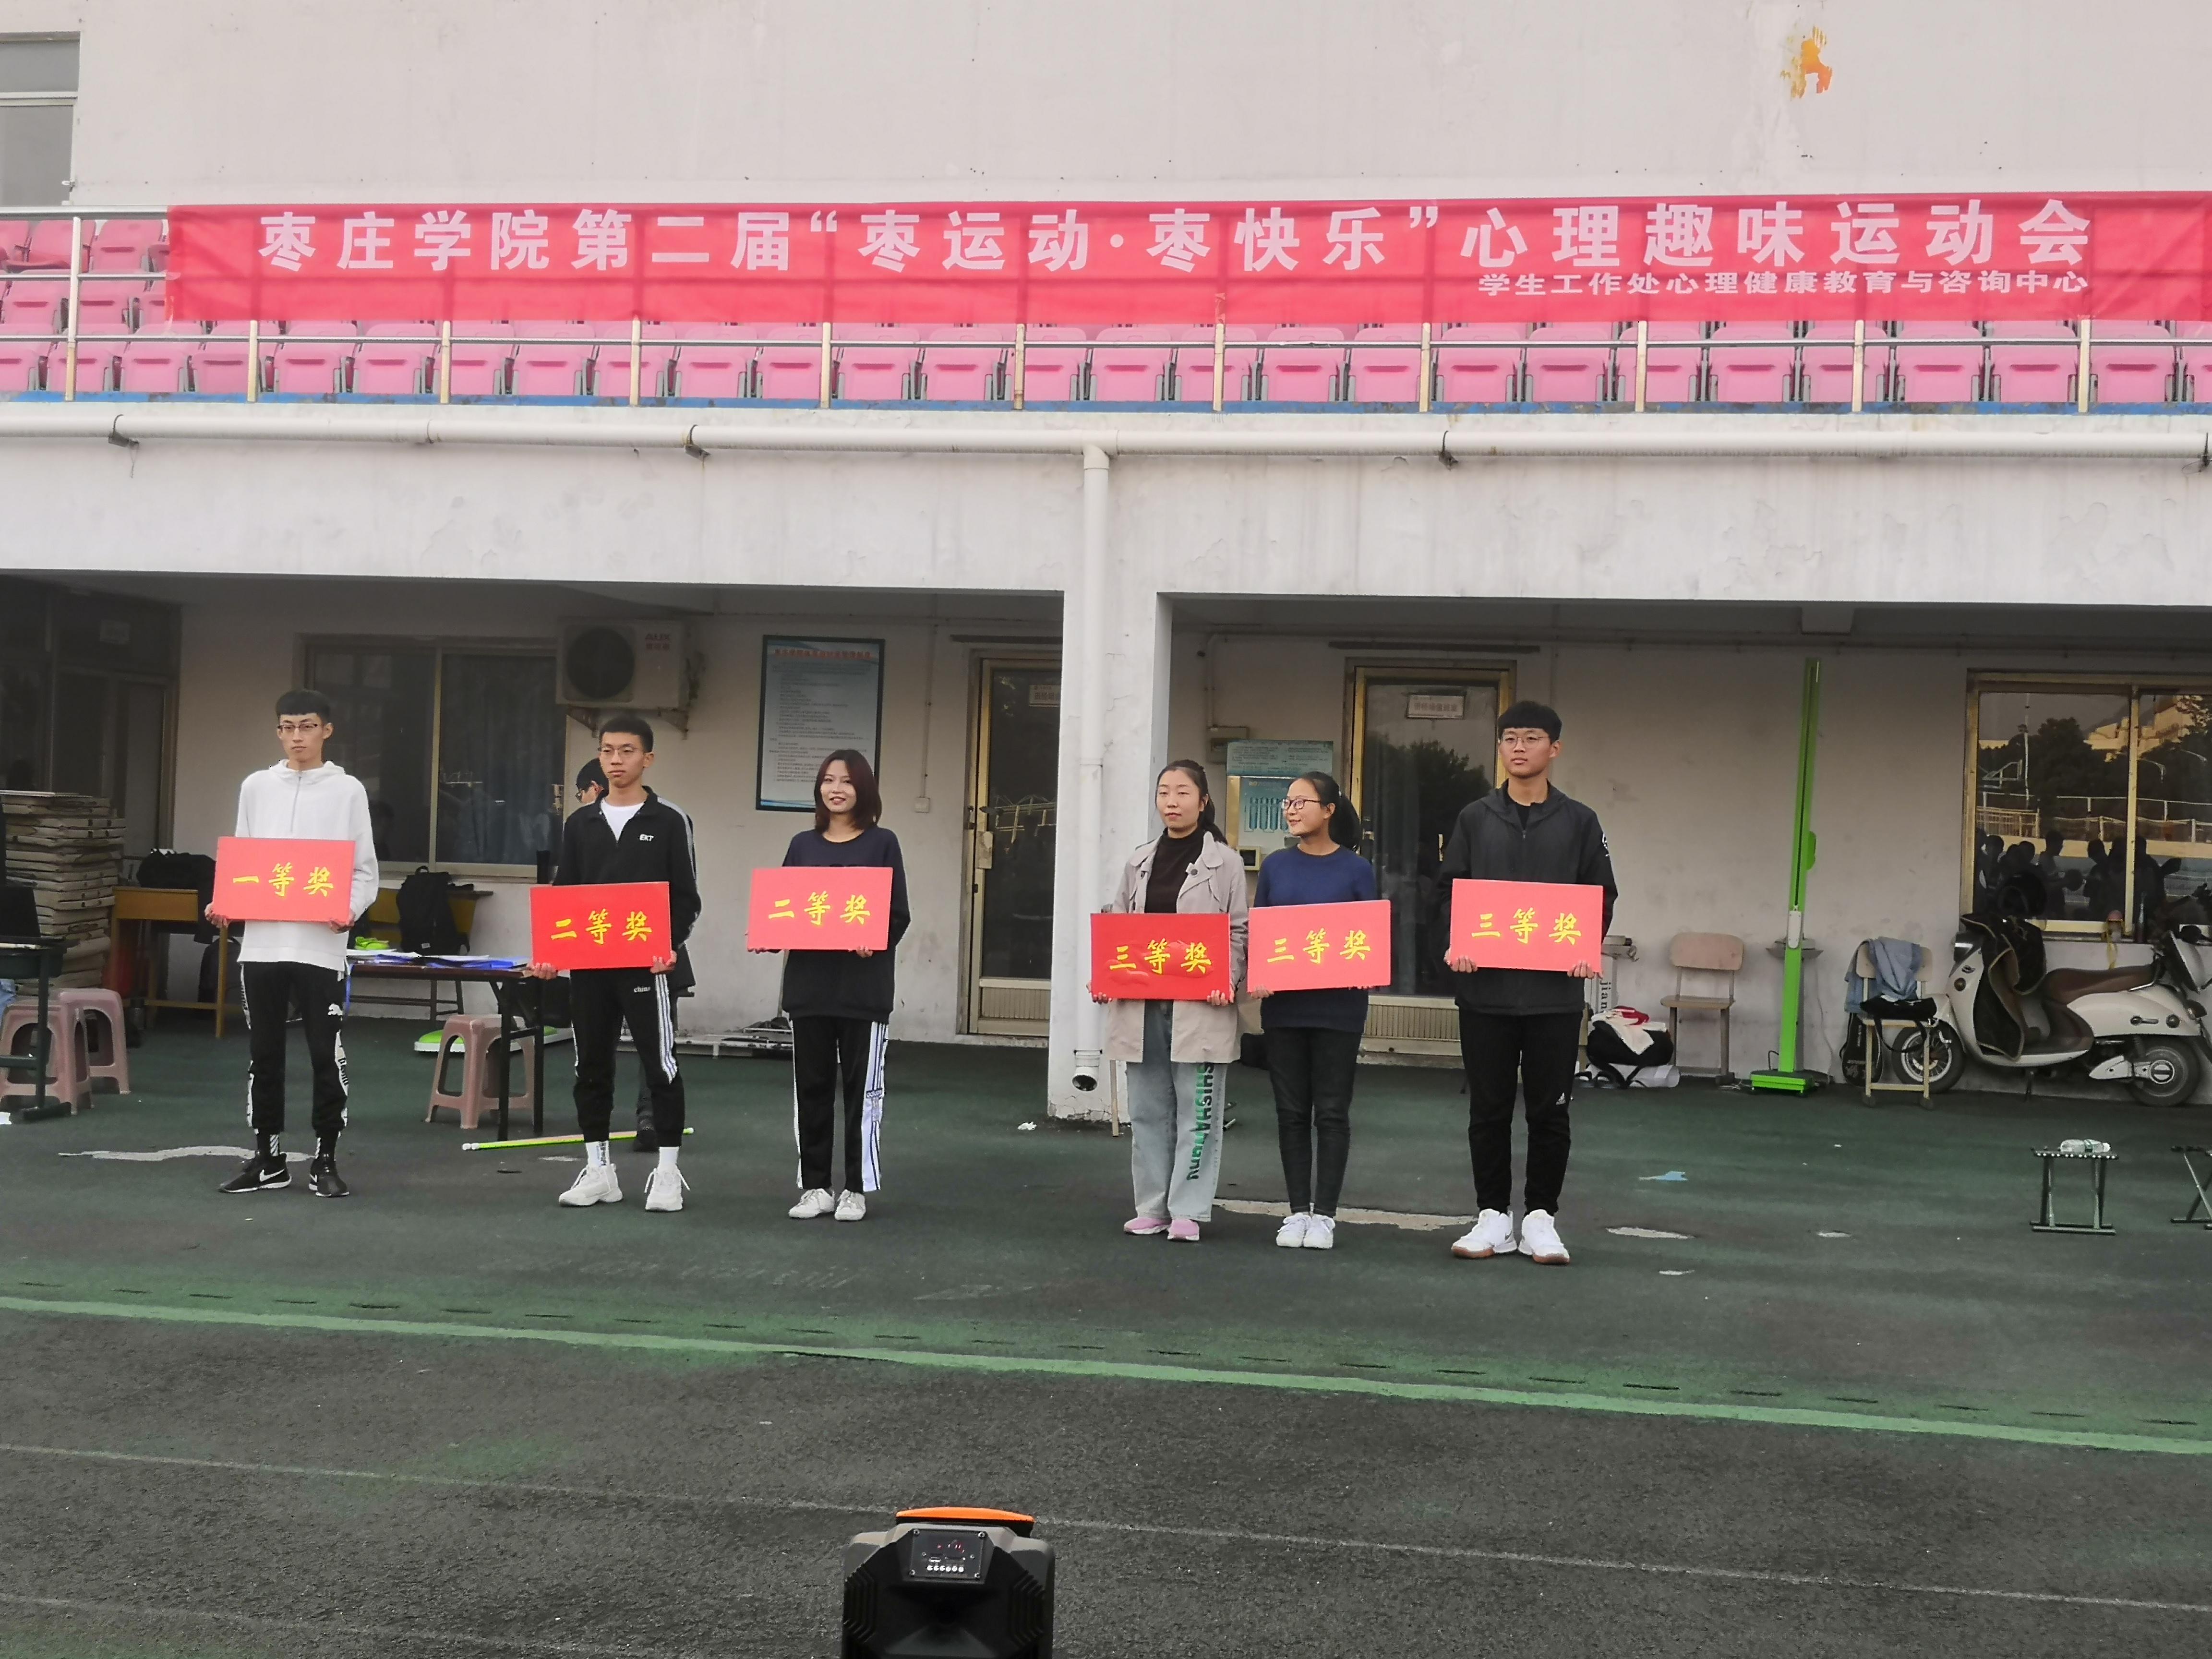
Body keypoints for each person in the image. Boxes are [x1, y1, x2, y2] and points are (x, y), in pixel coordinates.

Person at [1439, 701, 1616, 1267]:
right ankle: (1493, 1216)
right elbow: (1450, 890)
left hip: (1553, 997)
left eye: (1531, 738)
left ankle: (1541, 1218)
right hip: (1485, 994)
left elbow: (1601, 895)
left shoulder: (1580, 821)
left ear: (1554, 749)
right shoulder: (1474, 817)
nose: (1519, 747)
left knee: (1550, 1111)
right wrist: (1457, 943)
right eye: (1510, 738)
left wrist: (1584, 949)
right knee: (1488, 1111)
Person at [210, 690, 380, 1200]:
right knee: (263, 1055)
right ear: (278, 731)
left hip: (320, 946)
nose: (297, 737)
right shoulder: (256, 786)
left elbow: (364, 871)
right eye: (287, 727)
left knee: (325, 1054)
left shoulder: (348, 791)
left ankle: (325, 1158)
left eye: (307, 726)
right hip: (262, 944)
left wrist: (349, 909)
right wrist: (226, 902)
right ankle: (268, 1157)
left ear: (327, 730)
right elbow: (242, 859)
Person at [530, 715, 701, 1214]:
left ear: (648, 758)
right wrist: (551, 955)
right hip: (591, 969)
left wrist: (670, 945)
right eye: (607, 751)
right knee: (590, 1066)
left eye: (627, 751)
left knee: (660, 1066)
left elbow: (686, 898)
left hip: (649, 968)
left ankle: (667, 1173)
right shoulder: (580, 823)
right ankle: (599, 1170)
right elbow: (566, 895)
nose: (616, 760)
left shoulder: (669, 820)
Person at [1103, 760, 1248, 1243]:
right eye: (1164, 792)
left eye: (1183, 792)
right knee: (1148, 1110)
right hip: (1143, 1004)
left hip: (1201, 1005)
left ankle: (1188, 1209)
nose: (1172, 801)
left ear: (1203, 802)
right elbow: (1118, 927)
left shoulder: (1225, 863)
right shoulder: (1139, 861)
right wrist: (1106, 976)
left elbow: (1238, 931)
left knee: (1197, 1111)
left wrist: (1227, 978)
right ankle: (1152, 1206)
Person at [773, 750, 910, 1223]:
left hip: (862, 992)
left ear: (863, 789)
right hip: (809, 990)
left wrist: (876, 939)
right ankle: (815, 1187)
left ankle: (856, 1188)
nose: (836, 789)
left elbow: (897, 914)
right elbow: (783, 909)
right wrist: (769, 934)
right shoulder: (802, 845)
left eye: (847, 782)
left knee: (862, 1094)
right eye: (829, 780)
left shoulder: (883, 844)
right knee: (810, 1090)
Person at [1251, 771, 1375, 1251]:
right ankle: (1296, 1211)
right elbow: (1261, 930)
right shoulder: (1276, 867)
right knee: (1290, 1112)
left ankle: (1324, 1215)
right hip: (1284, 1008)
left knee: (1332, 1111)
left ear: (1329, 810)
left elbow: (1369, 937)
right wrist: (1259, 973)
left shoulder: (1357, 869)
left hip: (1338, 1008)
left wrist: (1367, 970)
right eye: (1288, 802)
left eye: (1301, 802)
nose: (1291, 809)